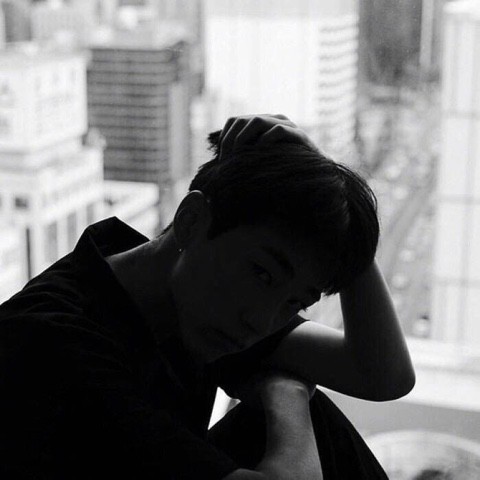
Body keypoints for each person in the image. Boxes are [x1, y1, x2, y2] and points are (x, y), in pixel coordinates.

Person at [0, 114, 415, 479]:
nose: (261, 321)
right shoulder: (52, 340)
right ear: (191, 220)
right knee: (296, 423)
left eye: (295, 302)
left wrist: (330, 197)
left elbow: (383, 375)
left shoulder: (178, 295)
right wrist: (286, 394)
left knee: (312, 426)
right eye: (262, 274)